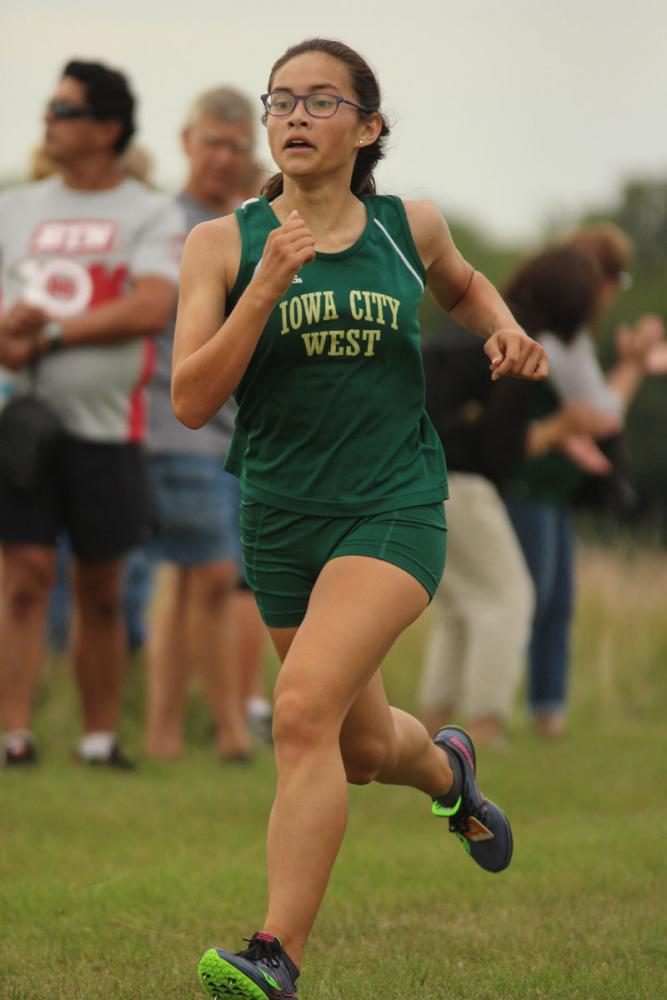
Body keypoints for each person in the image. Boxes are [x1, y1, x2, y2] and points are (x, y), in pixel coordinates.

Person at [171, 37, 547, 999]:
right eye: (281, 100)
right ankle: (449, 774)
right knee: (361, 746)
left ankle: (274, 956)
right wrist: (262, 287)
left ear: (368, 128)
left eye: (321, 100)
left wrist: (501, 326)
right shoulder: (221, 243)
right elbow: (189, 398)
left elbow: (460, 285)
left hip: (393, 506)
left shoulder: (404, 227)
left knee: (298, 713)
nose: (294, 116)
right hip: (281, 517)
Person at [0, 60, 183, 768]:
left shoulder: (149, 211)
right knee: (22, 576)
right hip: (22, 423)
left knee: (102, 586)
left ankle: (100, 738)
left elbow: (149, 306)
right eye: (50, 106)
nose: (48, 118)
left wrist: (49, 332)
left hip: (111, 428)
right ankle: (15, 734)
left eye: (64, 109)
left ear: (107, 129)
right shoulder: (15, 209)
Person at [501, 240, 665, 738]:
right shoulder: (559, 343)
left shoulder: (560, 339)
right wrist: (635, 366)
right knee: (527, 601)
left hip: (549, 491)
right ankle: (497, 714)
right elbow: (601, 415)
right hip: (527, 487)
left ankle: (546, 712)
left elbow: (594, 408)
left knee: (555, 601)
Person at [145, 86, 264, 762]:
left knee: (199, 579)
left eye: (236, 146)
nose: (222, 157)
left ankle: (176, 735)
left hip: (238, 433)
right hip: (173, 423)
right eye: (211, 142)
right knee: (211, 572)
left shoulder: (255, 228)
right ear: (185, 141)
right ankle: (222, 732)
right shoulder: (161, 223)